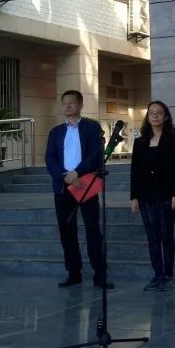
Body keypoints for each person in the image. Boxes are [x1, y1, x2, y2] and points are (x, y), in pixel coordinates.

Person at [45, 90, 113, 289]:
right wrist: (65, 176)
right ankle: (73, 273)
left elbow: (96, 154)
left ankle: (100, 275)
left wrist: (77, 172)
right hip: (63, 186)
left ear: (81, 105)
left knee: (93, 230)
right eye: (64, 103)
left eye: (72, 102)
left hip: (85, 184)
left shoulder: (92, 127)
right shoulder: (56, 132)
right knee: (66, 230)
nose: (68, 106)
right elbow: (50, 158)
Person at [130, 101, 175, 292]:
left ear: (166, 116)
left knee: (166, 235)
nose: (154, 116)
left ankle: (168, 275)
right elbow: (135, 171)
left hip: (167, 195)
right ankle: (157, 275)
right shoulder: (140, 142)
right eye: (151, 113)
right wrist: (134, 197)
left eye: (159, 113)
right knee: (152, 237)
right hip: (145, 196)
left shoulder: (174, 140)